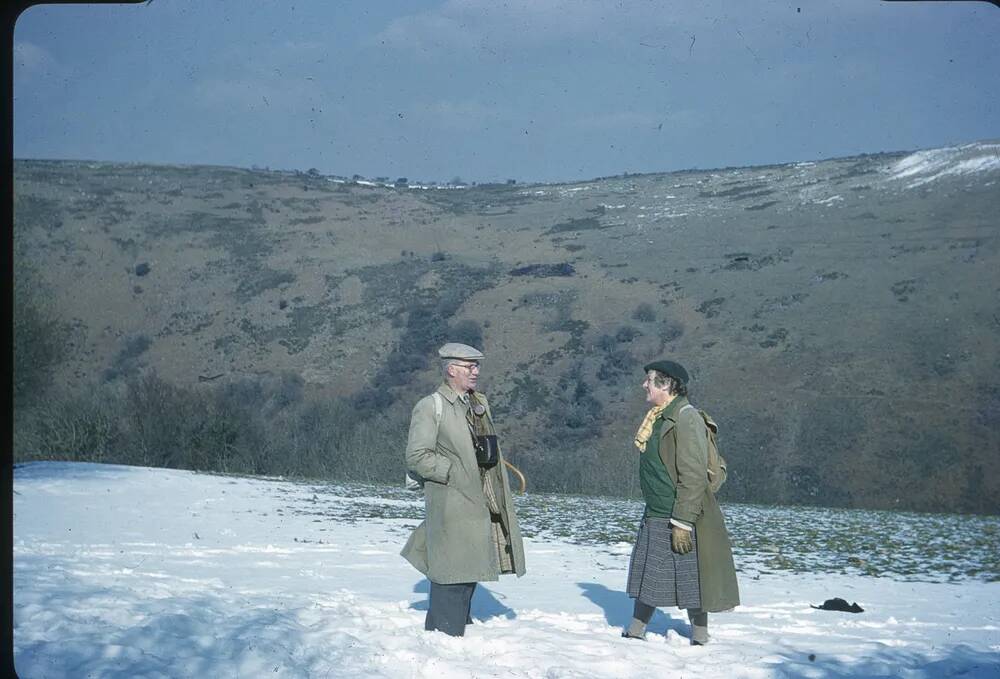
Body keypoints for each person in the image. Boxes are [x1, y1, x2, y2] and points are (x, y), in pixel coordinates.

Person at [401, 342, 526, 636]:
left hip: (477, 499)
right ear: (451, 369)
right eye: (470, 366)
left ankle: (454, 635)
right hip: (451, 501)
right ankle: (444, 639)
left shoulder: (475, 404)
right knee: (450, 572)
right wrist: (454, 472)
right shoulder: (431, 406)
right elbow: (417, 456)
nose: (476, 371)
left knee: (467, 569)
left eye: (476, 366)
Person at [623, 359, 739, 645]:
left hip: (678, 513)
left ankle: (699, 636)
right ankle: (636, 630)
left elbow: (693, 473)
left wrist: (683, 522)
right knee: (649, 575)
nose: (644, 385)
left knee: (691, 578)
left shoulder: (685, 418)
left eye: (649, 380)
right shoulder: (660, 417)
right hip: (658, 511)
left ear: (666, 384)